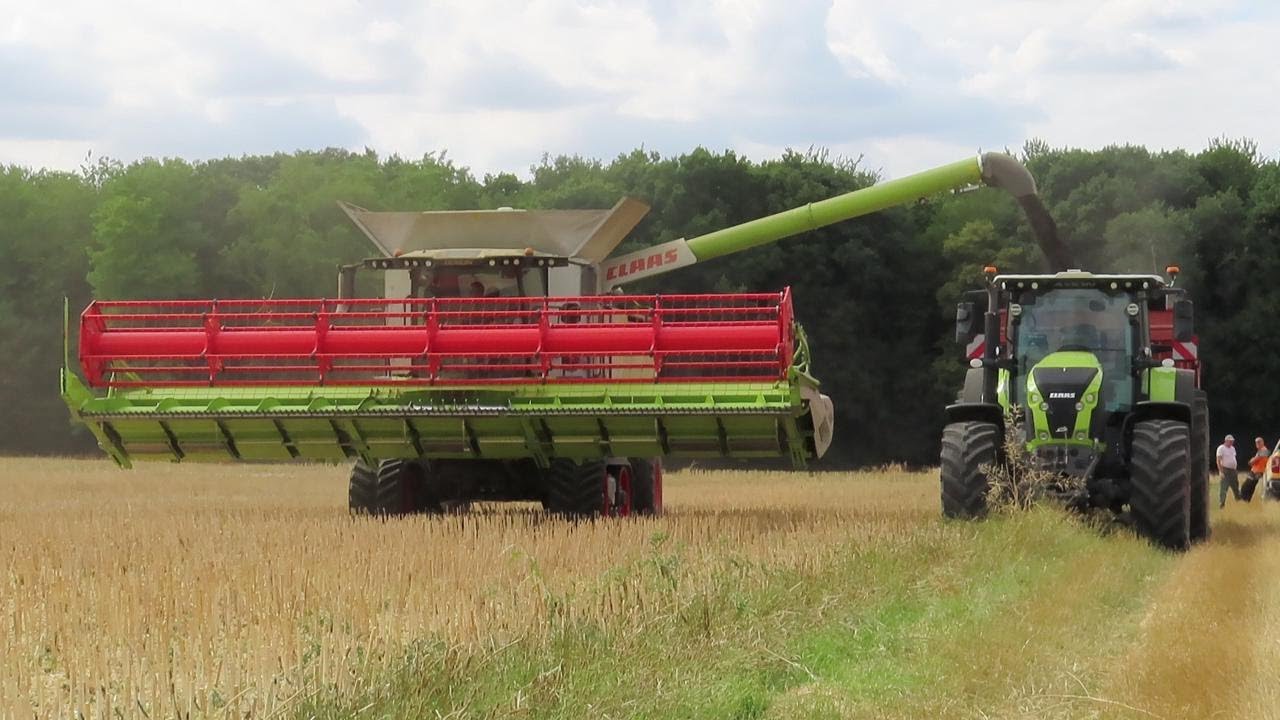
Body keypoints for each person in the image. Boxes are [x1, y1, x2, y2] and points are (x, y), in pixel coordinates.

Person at [1216, 434, 1239, 508]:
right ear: (1226, 441)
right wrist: (1221, 472)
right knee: (1224, 487)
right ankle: (1222, 504)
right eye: (1230, 441)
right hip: (1225, 469)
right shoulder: (1221, 448)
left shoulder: (1233, 448)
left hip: (1233, 470)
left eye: (1232, 441)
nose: (1232, 443)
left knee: (1235, 487)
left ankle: (1238, 501)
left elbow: (1233, 458)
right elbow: (1218, 461)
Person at [1244, 436, 1269, 502]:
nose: (1257, 444)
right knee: (1250, 488)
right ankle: (1246, 502)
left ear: (1263, 442)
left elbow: (1251, 462)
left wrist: (1251, 460)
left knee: (1246, 487)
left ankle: (1244, 502)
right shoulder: (1262, 451)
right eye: (1256, 442)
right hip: (1257, 471)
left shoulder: (1263, 450)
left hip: (1256, 472)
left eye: (1259, 442)